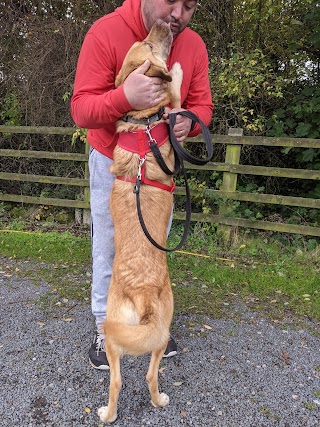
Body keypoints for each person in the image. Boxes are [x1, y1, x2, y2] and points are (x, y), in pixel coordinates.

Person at [71, 0, 213, 370]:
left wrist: (191, 122)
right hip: (112, 160)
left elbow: (203, 105)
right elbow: (82, 109)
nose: (178, 14)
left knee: (153, 247)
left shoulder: (194, 46)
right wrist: (124, 98)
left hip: (161, 164)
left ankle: (152, 322)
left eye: (189, 6)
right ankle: (106, 328)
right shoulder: (106, 32)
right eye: (172, 2)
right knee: (110, 246)